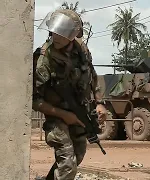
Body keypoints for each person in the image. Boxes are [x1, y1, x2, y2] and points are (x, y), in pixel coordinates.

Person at [33, 9, 107, 179]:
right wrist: (64, 115)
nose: (55, 37)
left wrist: (100, 103)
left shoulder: (82, 51)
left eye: (62, 32)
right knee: (67, 164)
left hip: (79, 110)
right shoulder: (43, 59)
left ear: (73, 34)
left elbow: (92, 77)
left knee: (78, 155)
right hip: (56, 115)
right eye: (53, 31)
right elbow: (34, 100)